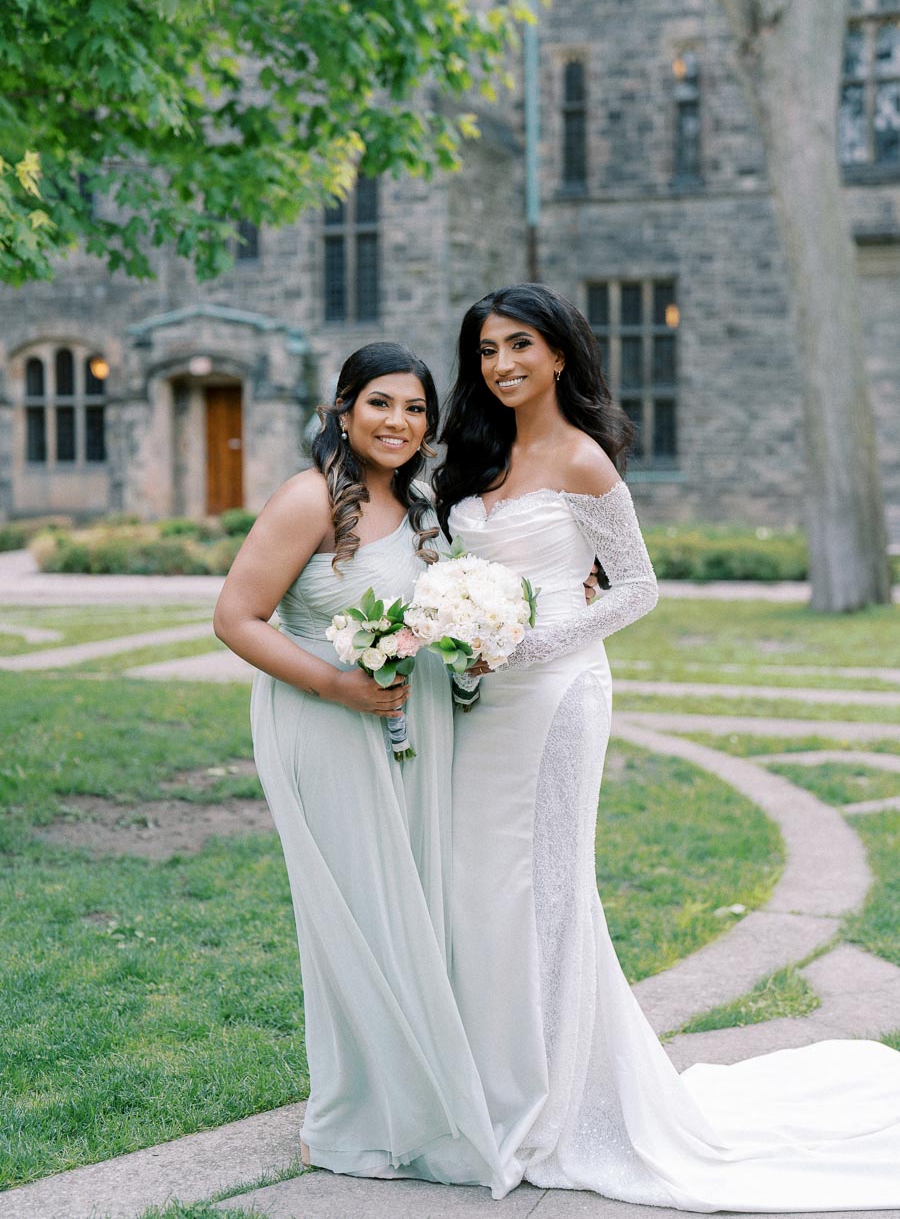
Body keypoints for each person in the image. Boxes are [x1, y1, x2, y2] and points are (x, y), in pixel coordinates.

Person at [433, 282, 900, 1208]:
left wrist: (531, 647)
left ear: (560, 353)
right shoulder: (475, 455)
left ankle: (561, 1100)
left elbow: (637, 587)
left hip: (561, 689)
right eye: (486, 351)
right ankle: (490, 1078)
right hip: (482, 698)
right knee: (479, 883)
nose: (502, 365)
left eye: (519, 345)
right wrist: (459, 640)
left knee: (552, 884)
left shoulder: (585, 461)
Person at [213, 342, 502, 1186]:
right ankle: (347, 1112)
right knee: (360, 916)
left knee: (412, 909)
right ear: (343, 410)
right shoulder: (309, 499)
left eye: (416, 410)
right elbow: (237, 617)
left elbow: (430, 616)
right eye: (381, 403)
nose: (400, 423)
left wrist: (470, 655)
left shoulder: (419, 504)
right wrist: (340, 689)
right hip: (328, 726)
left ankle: (414, 1097)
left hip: (415, 731)